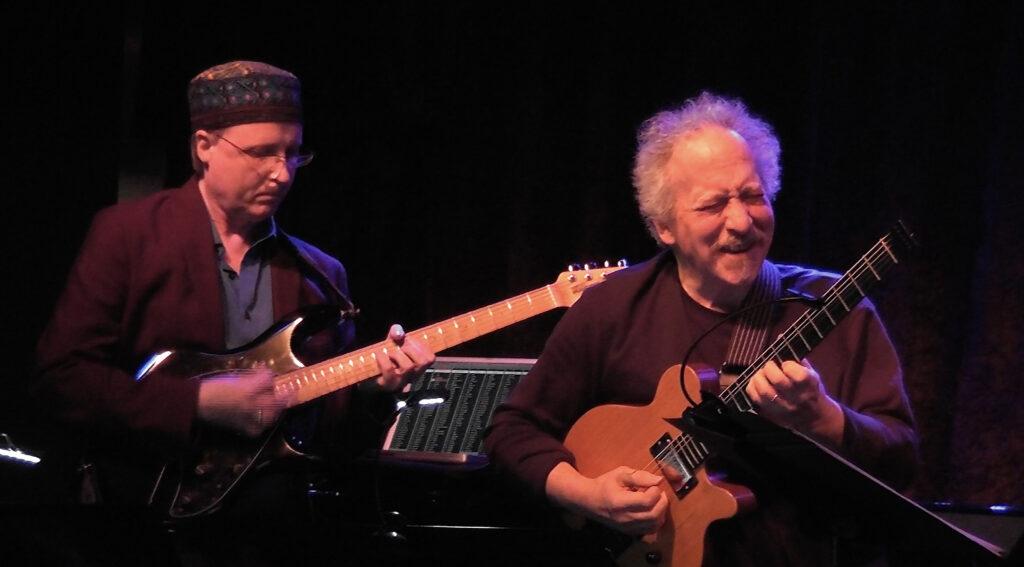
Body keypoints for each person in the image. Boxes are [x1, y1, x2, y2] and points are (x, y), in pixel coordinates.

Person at [483, 92, 917, 566]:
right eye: (713, 206)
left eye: (753, 196)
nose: (741, 222)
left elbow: (902, 463)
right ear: (663, 226)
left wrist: (823, 418)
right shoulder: (613, 306)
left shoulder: (840, 311)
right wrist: (587, 495)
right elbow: (512, 431)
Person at [31, 60, 434, 565]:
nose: (282, 172)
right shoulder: (127, 236)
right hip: (142, 527)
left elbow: (330, 437)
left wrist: (377, 391)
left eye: (293, 154)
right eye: (262, 152)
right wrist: (196, 405)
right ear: (204, 147)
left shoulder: (320, 272)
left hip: (268, 535)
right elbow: (59, 380)